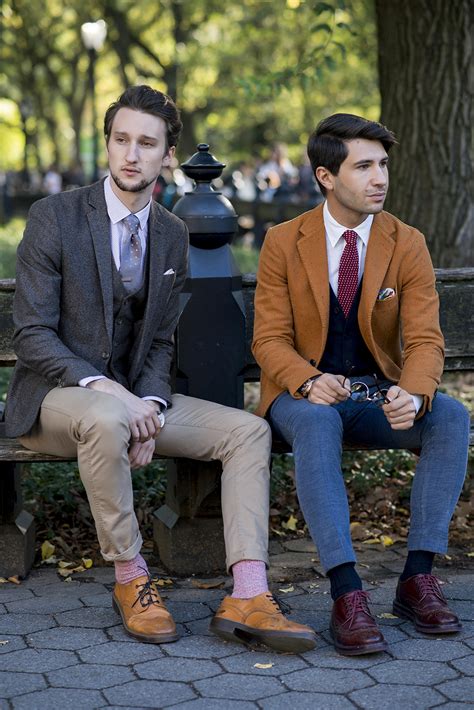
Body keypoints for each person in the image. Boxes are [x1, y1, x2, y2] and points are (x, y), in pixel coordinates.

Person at [5, 85, 315, 653]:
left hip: (130, 405)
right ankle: (131, 578)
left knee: (247, 431)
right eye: (121, 139)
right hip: (56, 398)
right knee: (103, 416)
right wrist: (115, 399)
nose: (131, 153)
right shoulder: (55, 217)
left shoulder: (172, 234)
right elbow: (31, 335)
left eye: (146, 143)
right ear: (107, 144)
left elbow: (160, 343)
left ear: (167, 155)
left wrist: (149, 405)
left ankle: (248, 591)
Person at [252, 113, 469, 656]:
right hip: (303, 398)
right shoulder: (283, 241)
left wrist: (415, 392)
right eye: (364, 166)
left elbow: (425, 339)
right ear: (327, 177)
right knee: (320, 419)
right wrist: (306, 381)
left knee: (450, 416)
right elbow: (269, 341)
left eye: (383, 165)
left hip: (376, 393)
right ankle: (346, 591)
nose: (380, 178)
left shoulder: (407, 242)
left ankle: (417, 580)